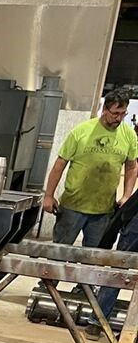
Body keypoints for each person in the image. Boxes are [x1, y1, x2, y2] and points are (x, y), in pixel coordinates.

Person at [43, 89, 138, 249]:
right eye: (115, 113)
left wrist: (126, 195)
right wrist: (48, 196)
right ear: (104, 109)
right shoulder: (81, 131)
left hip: (104, 210)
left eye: (123, 113)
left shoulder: (129, 135)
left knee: (95, 256)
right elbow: (60, 164)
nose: (119, 118)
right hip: (73, 206)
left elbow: (132, 166)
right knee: (59, 252)